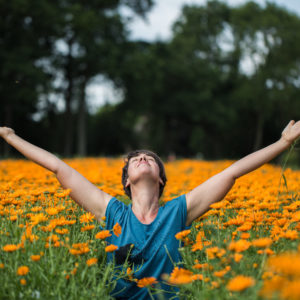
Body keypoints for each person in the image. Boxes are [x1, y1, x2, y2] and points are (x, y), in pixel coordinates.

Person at [0, 120, 300, 299]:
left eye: (150, 158)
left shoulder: (179, 211)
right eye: (135, 159)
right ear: (127, 181)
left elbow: (233, 172)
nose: (142, 158)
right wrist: (10, 137)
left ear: (160, 178)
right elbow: (57, 167)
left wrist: (282, 143)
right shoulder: (112, 212)